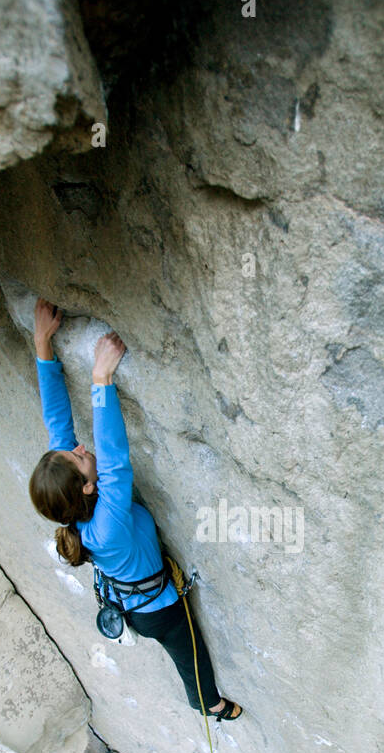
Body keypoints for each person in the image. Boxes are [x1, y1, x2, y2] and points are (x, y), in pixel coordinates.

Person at [28, 298, 242, 721]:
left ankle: (207, 700)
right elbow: (114, 457)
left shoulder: (77, 506)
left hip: (126, 599)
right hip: (157, 610)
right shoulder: (108, 520)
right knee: (190, 654)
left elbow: (58, 423)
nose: (78, 447)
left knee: (184, 650)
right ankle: (209, 703)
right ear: (88, 486)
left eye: (72, 451)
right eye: (77, 457)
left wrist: (42, 343)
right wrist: (101, 377)